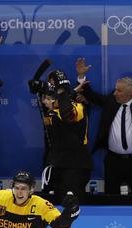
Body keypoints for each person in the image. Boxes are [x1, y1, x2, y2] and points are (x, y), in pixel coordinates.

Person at [75, 47, 132, 194]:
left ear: (131, 92)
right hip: (113, 162)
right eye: (115, 89)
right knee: (111, 200)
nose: (115, 93)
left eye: (119, 91)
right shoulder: (110, 101)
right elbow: (90, 95)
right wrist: (82, 76)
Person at [29, 70, 92, 203]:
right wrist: (36, 85)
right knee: (56, 205)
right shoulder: (52, 108)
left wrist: (62, 89)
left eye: (48, 97)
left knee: (71, 204)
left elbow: (68, 115)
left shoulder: (77, 108)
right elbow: (44, 90)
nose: (44, 101)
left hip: (75, 166)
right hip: (57, 163)